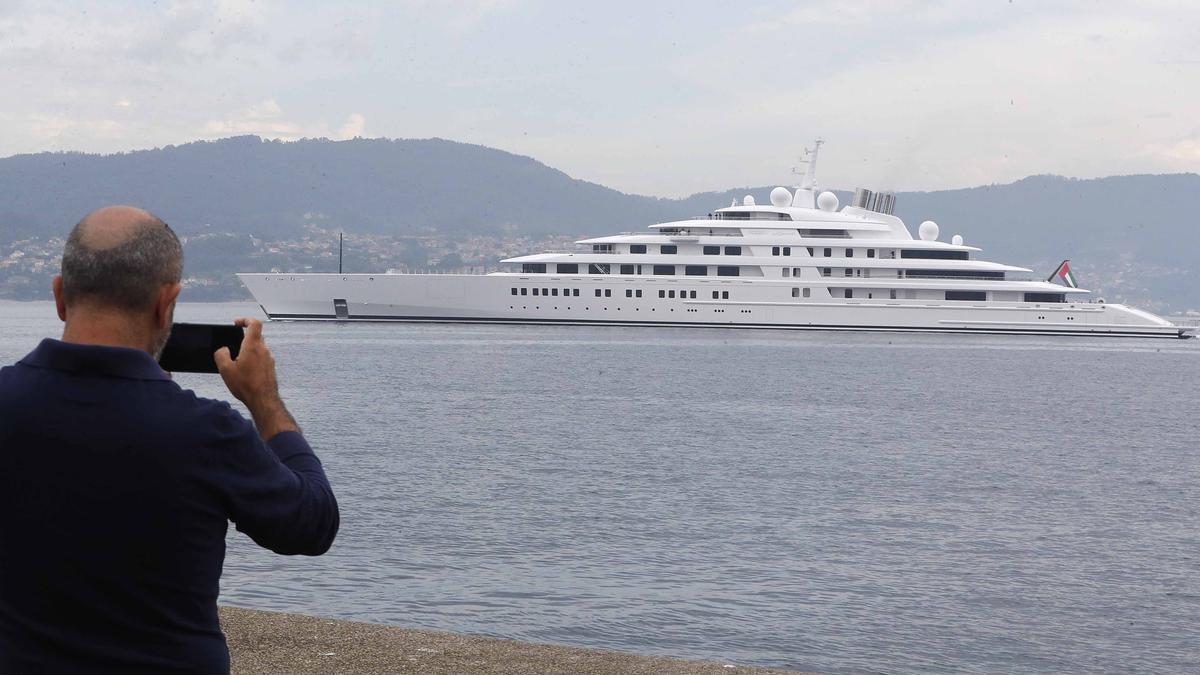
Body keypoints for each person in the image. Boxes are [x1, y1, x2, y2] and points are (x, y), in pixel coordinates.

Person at [0, 206, 339, 674]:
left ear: (59, 296)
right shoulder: (205, 431)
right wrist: (263, 400)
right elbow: (311, 524)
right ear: (166, 304)